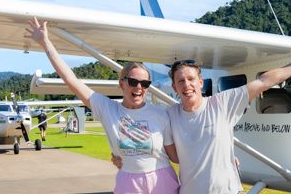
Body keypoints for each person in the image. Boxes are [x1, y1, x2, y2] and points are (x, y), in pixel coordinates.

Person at [116, 39, 291, 193]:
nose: (186, 85)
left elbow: (263, 82)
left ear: (200, 82)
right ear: (174, 87)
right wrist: (122, 156)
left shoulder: (222, 103)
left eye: (191, 79)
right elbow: (141, 127)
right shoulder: (169, 114)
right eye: (180, 81)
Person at [26, 17, 180, 194]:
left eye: (145, 84)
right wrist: (45, 43)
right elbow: (71, 80)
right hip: (128, 181)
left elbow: (176, 156)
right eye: (133, 81)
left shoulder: (161, 114)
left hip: (161, 180)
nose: (139, 87)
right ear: (122, 83)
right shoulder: (107, 108)